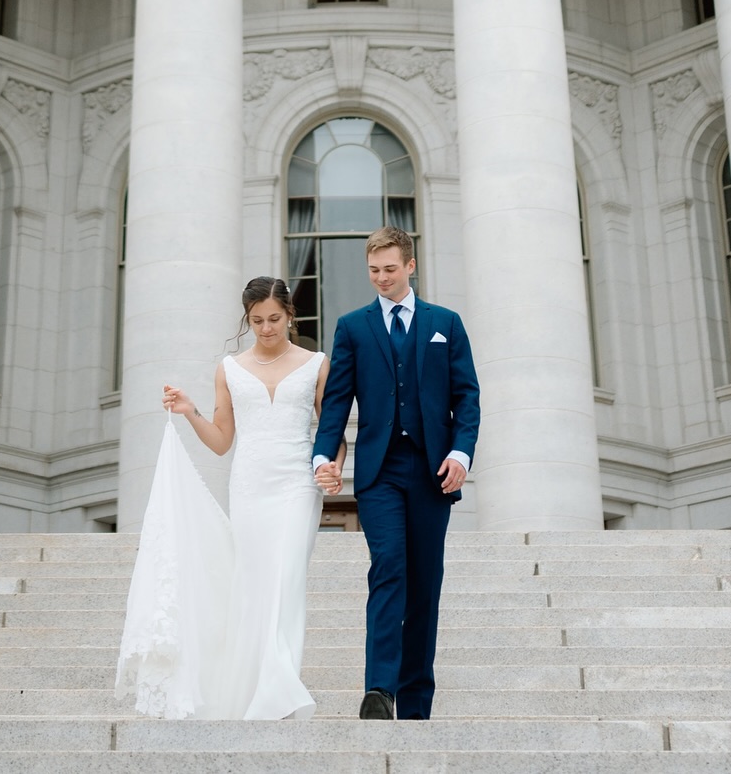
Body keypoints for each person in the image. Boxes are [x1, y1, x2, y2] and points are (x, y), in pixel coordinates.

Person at [116, 276, 329, 719]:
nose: (266, 328)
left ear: (291, 316)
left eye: (274, 319)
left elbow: (329, 431)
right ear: (247, 319)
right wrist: (190, 410)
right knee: (254, 584)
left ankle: (280, 681)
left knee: (285, 578)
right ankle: (258, 686)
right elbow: (220, 441)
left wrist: (331, 464)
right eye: (257, 321)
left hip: (296, 482)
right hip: (249, 484)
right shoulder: (228, 369)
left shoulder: (317, 363)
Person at [312, 226, 480, 722]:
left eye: (389, 269)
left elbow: (466, 397)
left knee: (425, 583)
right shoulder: (353, 327)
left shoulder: (444, 323)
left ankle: (416, 703)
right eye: (373, 271)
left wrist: (461, 455)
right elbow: (337, 400)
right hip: (380, 470)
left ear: (410, 266)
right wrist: (323, 457)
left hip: (432, 471)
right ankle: (379, 690)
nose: (381, 279)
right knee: (388, 568)